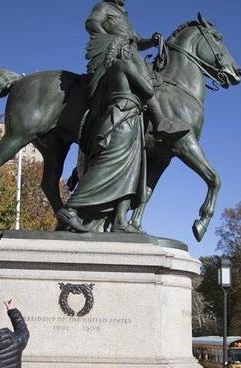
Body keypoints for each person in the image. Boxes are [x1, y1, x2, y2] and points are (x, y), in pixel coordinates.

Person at [56, 36, 153, 233]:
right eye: (131, 52)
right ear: (124, 51)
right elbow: (149, 90)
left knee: (130, 171)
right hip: (123, 119)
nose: (134, 55)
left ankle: (119, 220)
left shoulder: (109, 72)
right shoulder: (124, 65)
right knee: (109, 166)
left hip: (124, 118)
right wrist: (142, 67)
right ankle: (71, 208)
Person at [83, 0, 187, 141]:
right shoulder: (103, 6)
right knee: (143, 79)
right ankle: (160, 122)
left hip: (131, 50)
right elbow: (91, 23)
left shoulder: (124, 16)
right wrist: (113, 39)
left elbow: (137, 41)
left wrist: (151, 41)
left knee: (149, 78)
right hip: (118, 51)